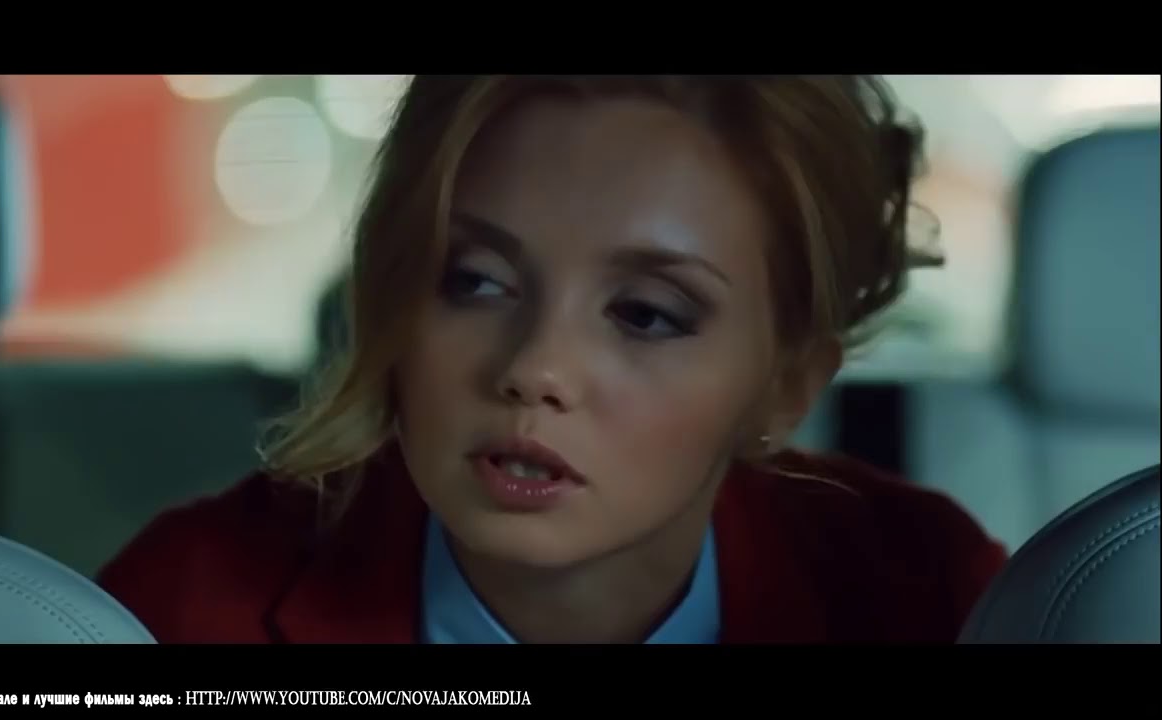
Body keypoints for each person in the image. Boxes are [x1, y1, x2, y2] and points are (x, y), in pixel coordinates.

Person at [97, 75, 1008, 644]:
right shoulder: (185, 609)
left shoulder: (936, 599)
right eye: (476, 282)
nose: (535, 368)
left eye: (645, 315)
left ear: (786, 384)